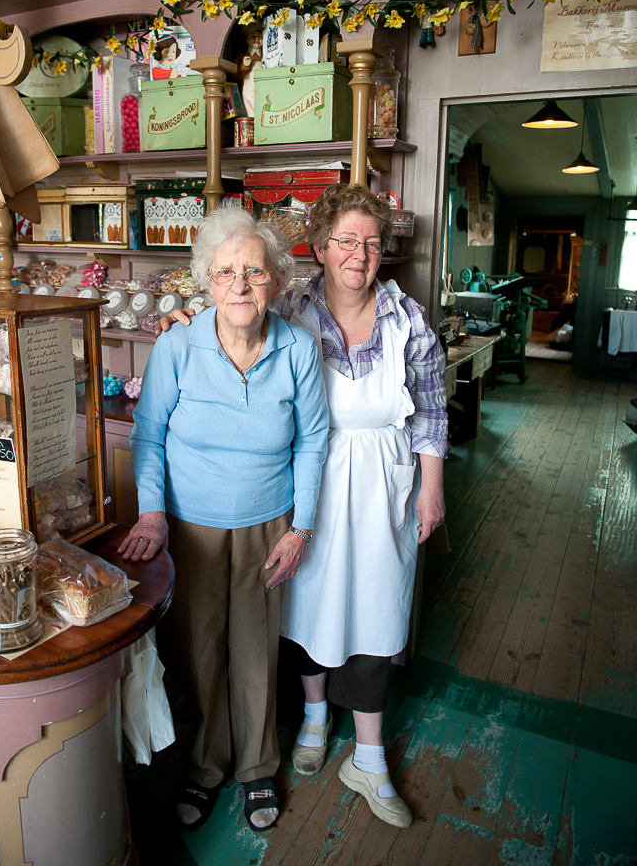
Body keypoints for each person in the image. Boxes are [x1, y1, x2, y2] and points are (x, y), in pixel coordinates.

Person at [158, 184, 447, 830]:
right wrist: (181, 320)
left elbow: (430, 408)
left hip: (382, 481)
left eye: (371, 242)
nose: (359, 253)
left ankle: (369, 756)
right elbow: (233, 314)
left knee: (376, 604)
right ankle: (314, 720)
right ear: (319, 247)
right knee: (310, 603)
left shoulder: (408, 319)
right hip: (308, 480)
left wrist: (432, 485)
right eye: (345, 239)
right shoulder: (290, 305)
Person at [120, 206, 329, 833]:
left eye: (254, 272)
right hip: (190, 527)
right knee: (200, 650)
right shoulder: (179, 344)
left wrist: (303, 528)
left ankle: (258, 767)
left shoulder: (297, 347)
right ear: (206, 282)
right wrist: (152, 512)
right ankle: (207, 766)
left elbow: (313, 442)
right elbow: (149, 435)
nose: (240, 285)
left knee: (256, 651)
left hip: (270, 523)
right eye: (225, 272)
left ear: (277, 280)